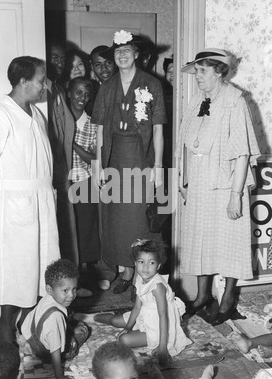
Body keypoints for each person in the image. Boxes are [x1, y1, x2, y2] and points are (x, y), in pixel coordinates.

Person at [0, 56, 60, 343]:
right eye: (40, 80)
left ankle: (25, 322)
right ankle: (3, 330)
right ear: (23, 81)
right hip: (13, 205)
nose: (44, 85)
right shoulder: (0, 114)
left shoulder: (36, 114)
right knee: (15, 268)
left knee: (38, 267)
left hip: (40, 201)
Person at [175, 48, 261, 325]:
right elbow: (187, 144)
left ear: (218, 71)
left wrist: (236, 196)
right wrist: (184, 180)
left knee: (229, 242)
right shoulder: (198, 98)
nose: (197, 76)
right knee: (201, 238)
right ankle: (202, 297)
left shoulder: (235, 100)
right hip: (199, 181)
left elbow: (244, 153)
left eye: (202, 71)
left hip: (226, 183)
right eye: (196, 70)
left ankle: (227, 299)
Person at [91, 30, 167, 293]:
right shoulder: (106, 87)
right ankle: (124, 270)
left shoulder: (152, 85)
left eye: (127, 50)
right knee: (115, 217)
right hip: (113, 156)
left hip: (140, 155)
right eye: (118, 51)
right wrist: (98, 165)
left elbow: (158, 130)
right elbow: (99, 130)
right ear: (114, 56)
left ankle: (142, 273)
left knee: (138, 217)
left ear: (136, 54)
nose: (122, 55)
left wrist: (157, 168)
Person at [93, 239, 191, 365]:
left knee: (124, 340)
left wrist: (163, 347)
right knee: (114, 321)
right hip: (145, 315)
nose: (145, 267)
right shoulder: (140, 278)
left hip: (158, 327)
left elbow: (163, 316)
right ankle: (92, 318)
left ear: (158, 266)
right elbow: (137, 307)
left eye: (151, 263)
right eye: (141, 262)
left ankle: (146, 338)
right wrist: (128, 327)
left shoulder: (157, 286)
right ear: (135, 263)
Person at [46, 41, 92, 298]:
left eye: (61, 60)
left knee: (72, 230)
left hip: (66, 175)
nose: (59, 64)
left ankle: (70, 286)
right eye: (54, 58)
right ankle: (59, 289)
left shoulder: (59, 91)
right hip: (53, 173)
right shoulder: (49, 92)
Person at [20, 258, 89, 379]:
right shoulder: (56, 317)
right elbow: (55, 351)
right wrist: (59, 375)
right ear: (49, 289)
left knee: (66, 322)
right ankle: (71, 325)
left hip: (32, 341)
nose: (71, 295)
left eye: (74, 289)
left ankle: (70, 323)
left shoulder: (46, 298)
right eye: (65, 291)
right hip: (46, 353)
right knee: (84, 330)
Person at [67, 77, 100, 270]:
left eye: (87, 94)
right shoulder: (60, 119)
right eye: (79, 92)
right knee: (68, 229)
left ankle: (87, 272)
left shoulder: (91, 123)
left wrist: (71, 143)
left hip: (85, 182)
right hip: (64, 182)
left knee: (86, 227)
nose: (82, 97)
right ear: (69, 93)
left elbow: (95, 159)